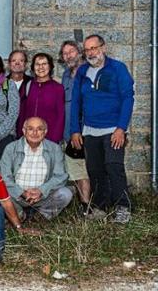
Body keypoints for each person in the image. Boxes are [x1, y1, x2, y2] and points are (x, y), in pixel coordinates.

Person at [69, 34, 134, 223]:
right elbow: (76, 103)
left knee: (114, 166)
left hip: (113, 129)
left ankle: (123, 207)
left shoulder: (118, 69)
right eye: (87, 49)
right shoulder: (82, 72)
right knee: (94, 169)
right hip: (89, 130)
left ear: (103, 48)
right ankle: (100, 207)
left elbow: (128, 98)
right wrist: (75, 130)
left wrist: (121, 128)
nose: (91, 52)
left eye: (94, 48)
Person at [0, 117, 73, 221]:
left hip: (43, 197)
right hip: (17, 197)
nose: (35, 133)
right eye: (30, 129)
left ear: (45, 131)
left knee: (65, 193)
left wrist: (41, 191)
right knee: (0, 193)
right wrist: (22, 193)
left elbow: (61, 176)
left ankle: (40, 216)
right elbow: (3, 176)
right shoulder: (11, 148)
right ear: (24, 131)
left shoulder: (55, 149)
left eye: (39, 129)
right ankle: (19, 215)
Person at [59, 40, 92, 205]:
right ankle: (85, 205)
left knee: (89, 168)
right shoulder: (65, 74)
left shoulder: (89, 72)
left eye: (71, 51)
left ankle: (93, 203)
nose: (68, 56)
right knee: (77, 169)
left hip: (87, 129)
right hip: (69, 131)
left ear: (80, 52)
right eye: (65, 53)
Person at [16, 53, 65, 143]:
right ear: (33, 68)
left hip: (49, 139)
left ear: (50, 66)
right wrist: (20, 135)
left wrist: (55, 139)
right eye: (37, 64)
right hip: (29, 138)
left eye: (44, 64)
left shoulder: (58, 88)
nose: (40, 67)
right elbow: (22, 112)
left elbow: (60, 116)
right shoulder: (27, 86)